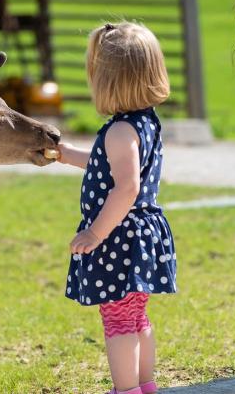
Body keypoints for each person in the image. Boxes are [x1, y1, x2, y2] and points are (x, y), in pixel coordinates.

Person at [55, 21, 176, 394]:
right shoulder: (144, 123)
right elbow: (105, 165)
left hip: (119, 237)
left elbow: (126, 188)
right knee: (135, 315)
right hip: (140, 234)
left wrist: (96, 232)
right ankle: (145, 384)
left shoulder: (120, 131)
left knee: (118, 320)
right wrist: (66, 155)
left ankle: (126, 390)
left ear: (108, 81)